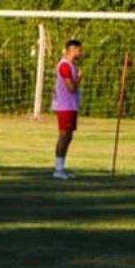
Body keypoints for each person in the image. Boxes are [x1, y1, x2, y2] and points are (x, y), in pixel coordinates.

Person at [51, 39, 84, 179]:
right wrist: (79, 78)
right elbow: (70, 87)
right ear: (73, 49)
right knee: (64, 135)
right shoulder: (64, 66)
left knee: (68, 136)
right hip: (64, 106)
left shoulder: (71, 66)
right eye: (79, 50)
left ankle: (62, 167)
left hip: (71, 106)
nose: (81, 52)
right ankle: (58, 169)